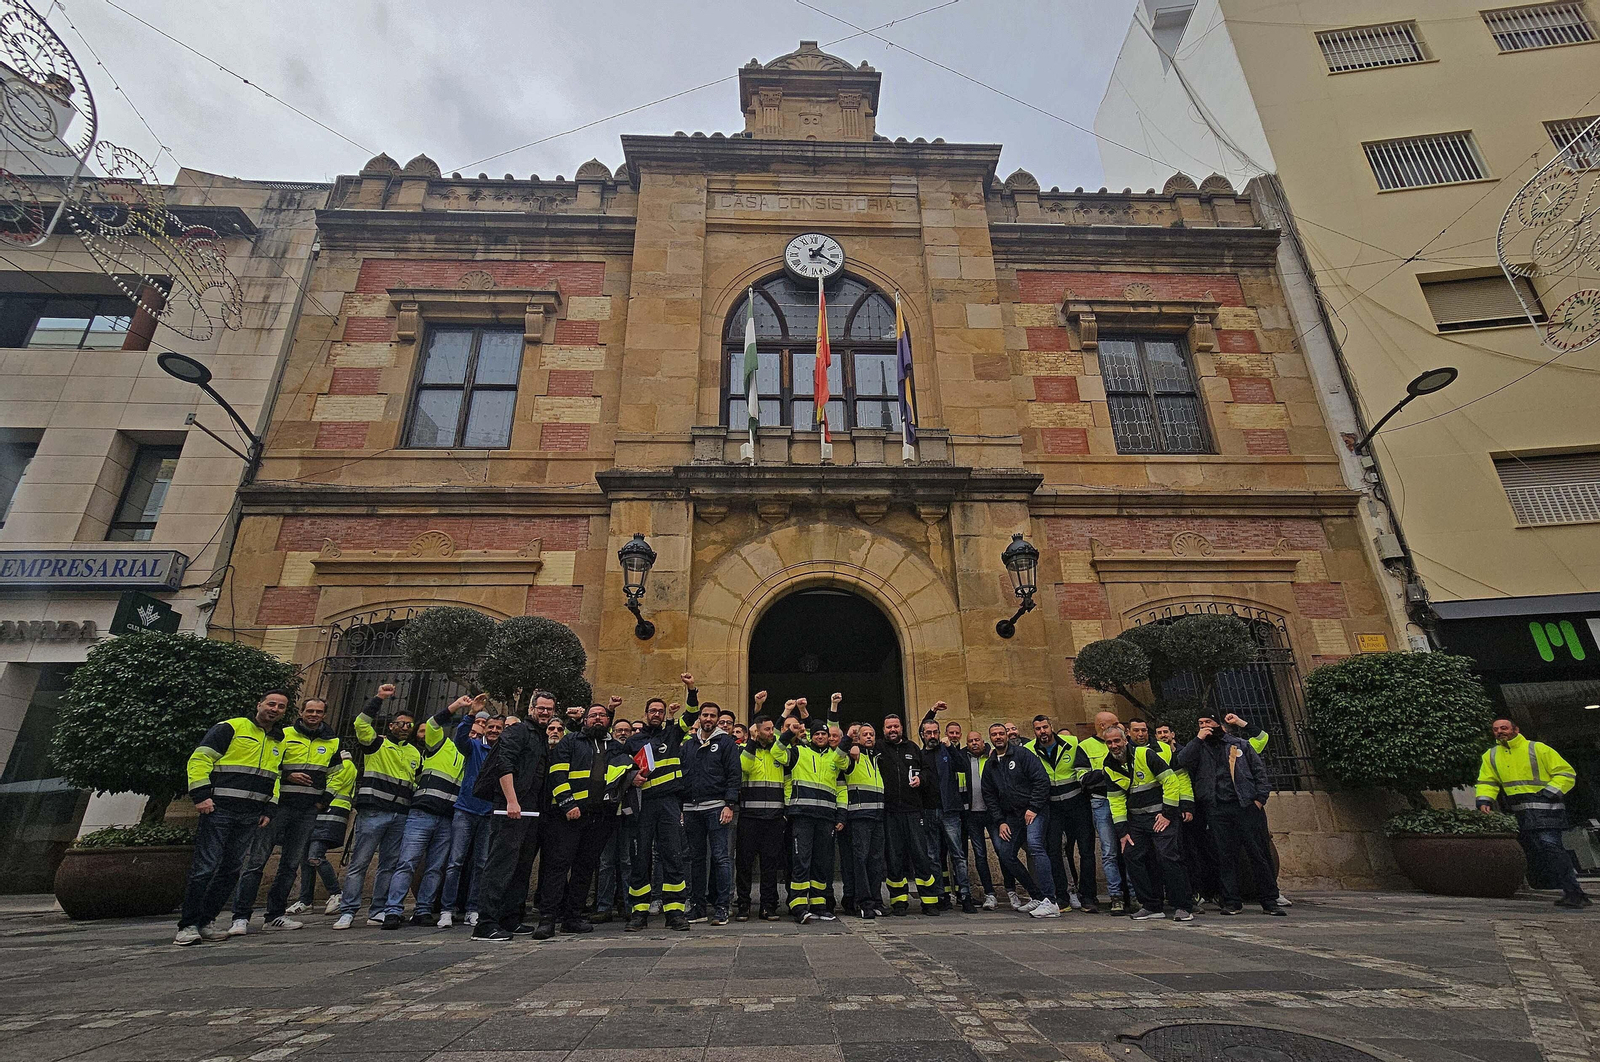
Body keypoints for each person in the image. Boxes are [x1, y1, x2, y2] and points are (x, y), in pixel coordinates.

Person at [174, 690, 289, 946]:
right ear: (259, 704)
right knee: (205, 868)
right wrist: (201, 796)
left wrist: (269, 808)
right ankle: (187, 925)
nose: (275, 709)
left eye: (281, 707)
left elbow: (275, 777)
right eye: (271, 704)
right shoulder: (230, 727)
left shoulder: (278, 740)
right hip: (219, 809)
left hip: (251, 814)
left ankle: (206, 921)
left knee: (231, 870)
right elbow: (200, 759)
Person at [229, 696, 339, 934]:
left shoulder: (332, 742)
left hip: (307, 810)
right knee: (256, 862)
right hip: (278, 806)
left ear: (324, 715)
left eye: (318, 712)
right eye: (310, 710)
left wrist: (323, 801)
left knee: (290, 865)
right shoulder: (283, 735)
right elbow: (269, 765)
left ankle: (275, 915)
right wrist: (288, 775)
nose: (313, 715)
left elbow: (338, 774)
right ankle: (240, 917)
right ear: (301, 712)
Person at [536, 703, 637, 938]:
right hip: (569, 816)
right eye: (593, 715)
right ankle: (547, 919)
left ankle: (572, 918)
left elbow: (625, 772)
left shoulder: (615, 747)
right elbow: (557, 774)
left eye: (602, 715)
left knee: (584, 869)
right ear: (585, 720)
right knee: (558, 867)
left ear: (609, 720)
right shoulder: (570, 742)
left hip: (600, 818)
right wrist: (567, 804)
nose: (598, 719)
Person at [1174, 713, 1284, 916]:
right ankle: (1232, 901)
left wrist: (1259, 799)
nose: (1204, 726)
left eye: (1208, 722)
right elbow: (1180, 760)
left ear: (1218, 724)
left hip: (1245, 806)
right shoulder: (1199, 748)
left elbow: (1259, 772)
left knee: (1258, 854)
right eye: (1200, 723)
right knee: (1225, 856)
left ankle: (1270, 900)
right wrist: (1197, 739)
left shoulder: (1239, 744)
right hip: (1217, 808)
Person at [333, 685, 422, 930]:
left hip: (400, 815)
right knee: (359, 863)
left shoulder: (415, 753)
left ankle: (378, 910)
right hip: (373, 811)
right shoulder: (376, 744)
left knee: (388, 865)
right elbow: (361, 724)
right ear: (391, 725)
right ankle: (348, 910)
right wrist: (379, 698)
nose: (405, 727)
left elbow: (415, 782)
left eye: (409, 725)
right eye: (400, 723)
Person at [1478, 716, 1590, 909]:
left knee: (1551, 848)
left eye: (1504, 728)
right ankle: (1572, 892)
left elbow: (1566, 773)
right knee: (1543, 851)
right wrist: (1484, 799)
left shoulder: (1537, 748)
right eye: (1496, 729)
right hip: (1522, 813)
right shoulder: (1491, 755)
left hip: (1547, 810)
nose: (1499, 732)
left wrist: (1549, 793)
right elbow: (1487, 781)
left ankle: (1574, 892)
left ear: (1516, 730)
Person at [380, 695, 473, 929]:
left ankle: (423, 910)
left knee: (435, 868)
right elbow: (432, 723)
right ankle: (393, 910)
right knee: (407, 862)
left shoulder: (473, 757)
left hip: (448, 818)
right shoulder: (441, 745)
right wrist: (457, 706)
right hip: (422, 814)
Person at [472, 690, 555, 942]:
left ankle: (510, 918)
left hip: (531, 811)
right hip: (511, 808)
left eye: (549, 709)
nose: (545, 712)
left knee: (521, 867)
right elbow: (504, 763)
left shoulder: (540, 736)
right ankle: (485, 924)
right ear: (531, 709)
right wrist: (511, 800)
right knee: (500, 866)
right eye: (541, 708)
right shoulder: (518, 731)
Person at [622, 675, 696, 931]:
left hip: (668, 803)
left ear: (664, 715)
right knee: (640, 859)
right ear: (645, 714)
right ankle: (639, 913)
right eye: (652, 711)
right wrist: (631, 777)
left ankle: (674, 913)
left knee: (673, 857)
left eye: (660, 711)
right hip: (642, 805)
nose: (656, 714)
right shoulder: (633, 742)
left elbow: (691, 715)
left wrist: (691, 689)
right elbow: (619, 769)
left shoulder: (672, 734)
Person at [1101, 724, 1191, 921]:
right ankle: (1151, 905)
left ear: (1125, 740)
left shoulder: (1145, 754)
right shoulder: (1109, 766)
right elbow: (1116, 800)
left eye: (1117, 741)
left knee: (1168, 856)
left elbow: (1171, 781)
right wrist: (1122, 831)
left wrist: (1167, 814)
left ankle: (1183, 906)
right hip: (1137, 820)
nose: (1114, 746)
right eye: (1109, 742)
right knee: (1132, 855)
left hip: (1161, 816)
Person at [776, 694, 848, 923]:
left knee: (821, 864)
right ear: (811, 735)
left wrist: (840, 814)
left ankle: (819, 905)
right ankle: (798, 905)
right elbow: (777, 752)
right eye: (816, 734)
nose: (820, 737)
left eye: (824, 734)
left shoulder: (834, 758)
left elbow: (842, 783)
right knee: (801, 861)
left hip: (826, 818)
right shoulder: (799, 752)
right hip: (802, 817)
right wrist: (789, 732)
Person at [980, 721, 1060, 918]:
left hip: (1034, 811)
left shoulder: (1023, 754)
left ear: (1007, 735)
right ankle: (1036, 896)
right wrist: (1000, 821)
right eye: (994, 734)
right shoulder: (990, 764)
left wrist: (1033, 807)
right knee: (1005, 853)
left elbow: (1041, 780)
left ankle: (1051, 901)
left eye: (1001, 733)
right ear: (990, 738)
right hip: (1012, 816)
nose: (998, 737)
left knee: (1035, 846)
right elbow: (989, 795)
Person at [680, 692, 741, 925]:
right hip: (691, 808)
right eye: (705, 715)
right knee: (695, 859)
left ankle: (722, 907)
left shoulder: (726, 743)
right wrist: (681, 807)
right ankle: (697, 907)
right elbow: (682, 775)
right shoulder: (688, 745)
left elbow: (734, 775)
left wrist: (729, 804)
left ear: (717, 719)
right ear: (699, 718)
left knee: (721, 857)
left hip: (716, 807)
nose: (708, 719)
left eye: (712, 716)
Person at [1027, 714, 1097, 914]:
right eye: (1038, 729)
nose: (1042, 732)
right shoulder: (1030, 749)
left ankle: (1088, 897)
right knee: (1054, 851)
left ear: (1051, 727)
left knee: (1086, 850)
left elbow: (1084, 769)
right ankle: (1062, 897)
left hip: (1077, 803)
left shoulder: (1072, 743)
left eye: (1045, 727)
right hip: (1052, 807)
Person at [441, 709, 503, 928]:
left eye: (498, 728)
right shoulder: (474, 746)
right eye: (490, 727)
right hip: (465, 810)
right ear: (484, 728)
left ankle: (473, 908)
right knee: (455, 862)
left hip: (488, 813)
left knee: (482, 864)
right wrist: (470, 715)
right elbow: (460, 738)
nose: (494, 730)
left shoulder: (505, 752)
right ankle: (447, 909)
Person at [879, 712, 940, 915]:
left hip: (913, 811)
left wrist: (921, 779)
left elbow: (927, 771)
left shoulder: (913, 748)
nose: (893, 730)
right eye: (889, 727)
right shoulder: (878, 749)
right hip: (890, 811)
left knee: (921, 855)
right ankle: (899, 902)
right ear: (884, 730)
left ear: (901, 728)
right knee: (894, 858)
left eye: (896, 726)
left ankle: (929, 901)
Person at [735, 692, 787, 921]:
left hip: (774, 818)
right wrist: (752, 742)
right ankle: (743, 905)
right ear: (757, 732)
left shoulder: (778, 752)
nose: (770, 732)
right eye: (766, 729)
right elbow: (744, 768)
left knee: (770, 865)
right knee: (744, 864)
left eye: (771, 729)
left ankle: (768, 906)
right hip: (750, 817)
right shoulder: (746, 750)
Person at [1075, 711, 1129, 913]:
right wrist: (1106, 773)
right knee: (1109, 852)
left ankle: (1134, 895)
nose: (1120, 725)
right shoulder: (1085, 746)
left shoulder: (1124, 742)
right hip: (1101, 801)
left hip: (1124, 799)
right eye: (1115, 723)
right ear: (1102, 726)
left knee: (1130, 849)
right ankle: (1116, 896)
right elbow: (1082, 777)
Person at [922, 702, 975, 913]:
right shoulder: (919, 754)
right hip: (929, 811)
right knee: (933, 857)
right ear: (923, 735)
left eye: (935, 732)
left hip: (950, 811)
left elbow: (963, 766)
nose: (932, 736)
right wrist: (932, 711)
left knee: (958, 855)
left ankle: (965, 896)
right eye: (928, 733)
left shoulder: (947, 751)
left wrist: (951, 748)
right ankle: (940, 896)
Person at [294, 749, 357, 915]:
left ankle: (336, 894)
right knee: (305, 858)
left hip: (331, 814)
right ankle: (305, 900)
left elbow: (332, 784)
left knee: (315, 856)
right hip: (316, 814)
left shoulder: (345, 764)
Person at [961, 730, 1011, 910]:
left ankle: (1011, 890)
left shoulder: (992, 757)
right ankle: (990, 894)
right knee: (980, 855)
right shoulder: (963, 759)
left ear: (983, 742)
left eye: (977, 740)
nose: (974, 743)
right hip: (972, 814)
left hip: (993, 814)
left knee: (1001, 850)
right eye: (970, 741)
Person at [593, 716, 637, 922]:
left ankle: (628, 905)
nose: (623, 733)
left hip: (627, 816)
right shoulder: (604, 754)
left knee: (627, 862)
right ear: (612, 732)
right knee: (605, 863)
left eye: (627, 730)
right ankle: (604, 907)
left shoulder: (635, 753)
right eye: (619, 730)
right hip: (607, 815)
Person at [1155, 723, 1203, 908]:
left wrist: (1187, 806)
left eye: (1165, 732)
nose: (1163, 735)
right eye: (1159, 733)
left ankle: (1192, 892)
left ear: (1172, 734)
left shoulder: (1181, 753)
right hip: (1163, 810)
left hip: (1179, 810)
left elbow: (1183, 781)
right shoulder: (1153, 753)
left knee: (1187, 852)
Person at [842, 722, 887, 918]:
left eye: (872, 734)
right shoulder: (853, 756)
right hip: (859, 816)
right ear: (858, 738)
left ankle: (876, 900)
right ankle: (863, 902)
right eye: (865, 734)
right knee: (860, 860)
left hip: (877, 815)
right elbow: (839, 760)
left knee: (876, 861)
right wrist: (848, 743)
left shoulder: (876, 758)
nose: (869, 737)